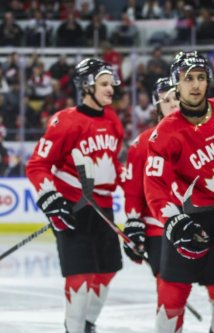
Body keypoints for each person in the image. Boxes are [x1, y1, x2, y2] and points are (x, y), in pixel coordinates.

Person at [144, 51, 214, 333]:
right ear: (176, 83)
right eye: (187, 78)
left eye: (200, 77)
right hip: (189, 221)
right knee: (171, 300)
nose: (195, 85)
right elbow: (155, 185)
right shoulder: (165, 133)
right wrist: (173, 220)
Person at [26, 58, 123, 333]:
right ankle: (74, 328)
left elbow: (110, 164)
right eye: (103, 84)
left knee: (107, 270)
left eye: (110, 84)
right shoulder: (65, 122)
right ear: (86, 86)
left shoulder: (113, 120)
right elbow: (37, 165)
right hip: (73, 209)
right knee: (80, 277)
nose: (110, 89)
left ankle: (87, 323)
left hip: (104, 211)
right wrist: (51, 200)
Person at [122, 77, 179, 276]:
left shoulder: (202, 134)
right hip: (159, 228)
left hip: (202, 224)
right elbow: (133, 191)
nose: (173, 103)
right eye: (166, 100)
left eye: (176, 97)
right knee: (169, 296)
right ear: (157, 107)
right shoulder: (142, 144)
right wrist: (133, 222)